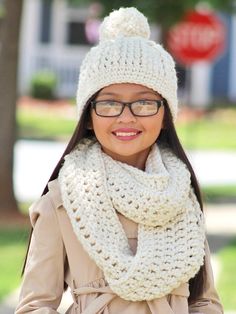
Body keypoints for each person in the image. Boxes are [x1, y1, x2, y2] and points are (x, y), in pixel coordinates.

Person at [15, 7, 223, 314]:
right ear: (88, 116)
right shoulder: (60, 203)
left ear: (165, 116)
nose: (126, 117)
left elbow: (204, 301)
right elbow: (35, 305)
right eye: (109, 103)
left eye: (144, 102)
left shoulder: (182, 196)